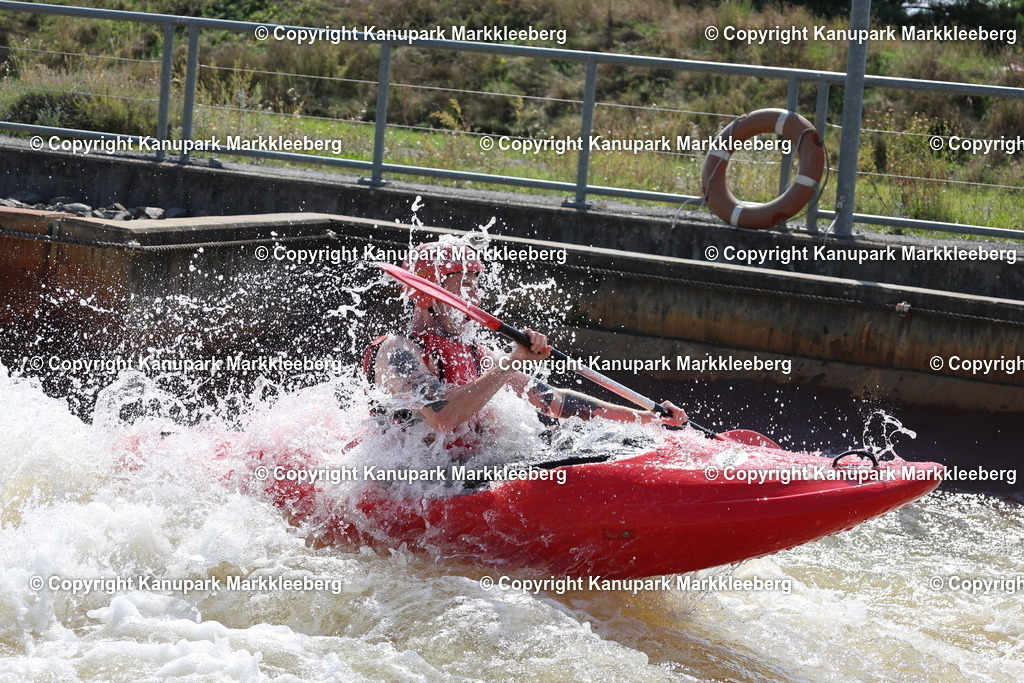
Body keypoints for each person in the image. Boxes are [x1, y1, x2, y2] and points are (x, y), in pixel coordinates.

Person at [363, 240, 687, 450]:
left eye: (476, 285)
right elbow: (442, 417)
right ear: (426, 294)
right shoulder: (399, 352)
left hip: (455, 481)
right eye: (463, 287)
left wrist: (650, 416)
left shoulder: (479, 355)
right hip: (408, 486)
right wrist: (513, 361)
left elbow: (557, 403)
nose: (475, 298)